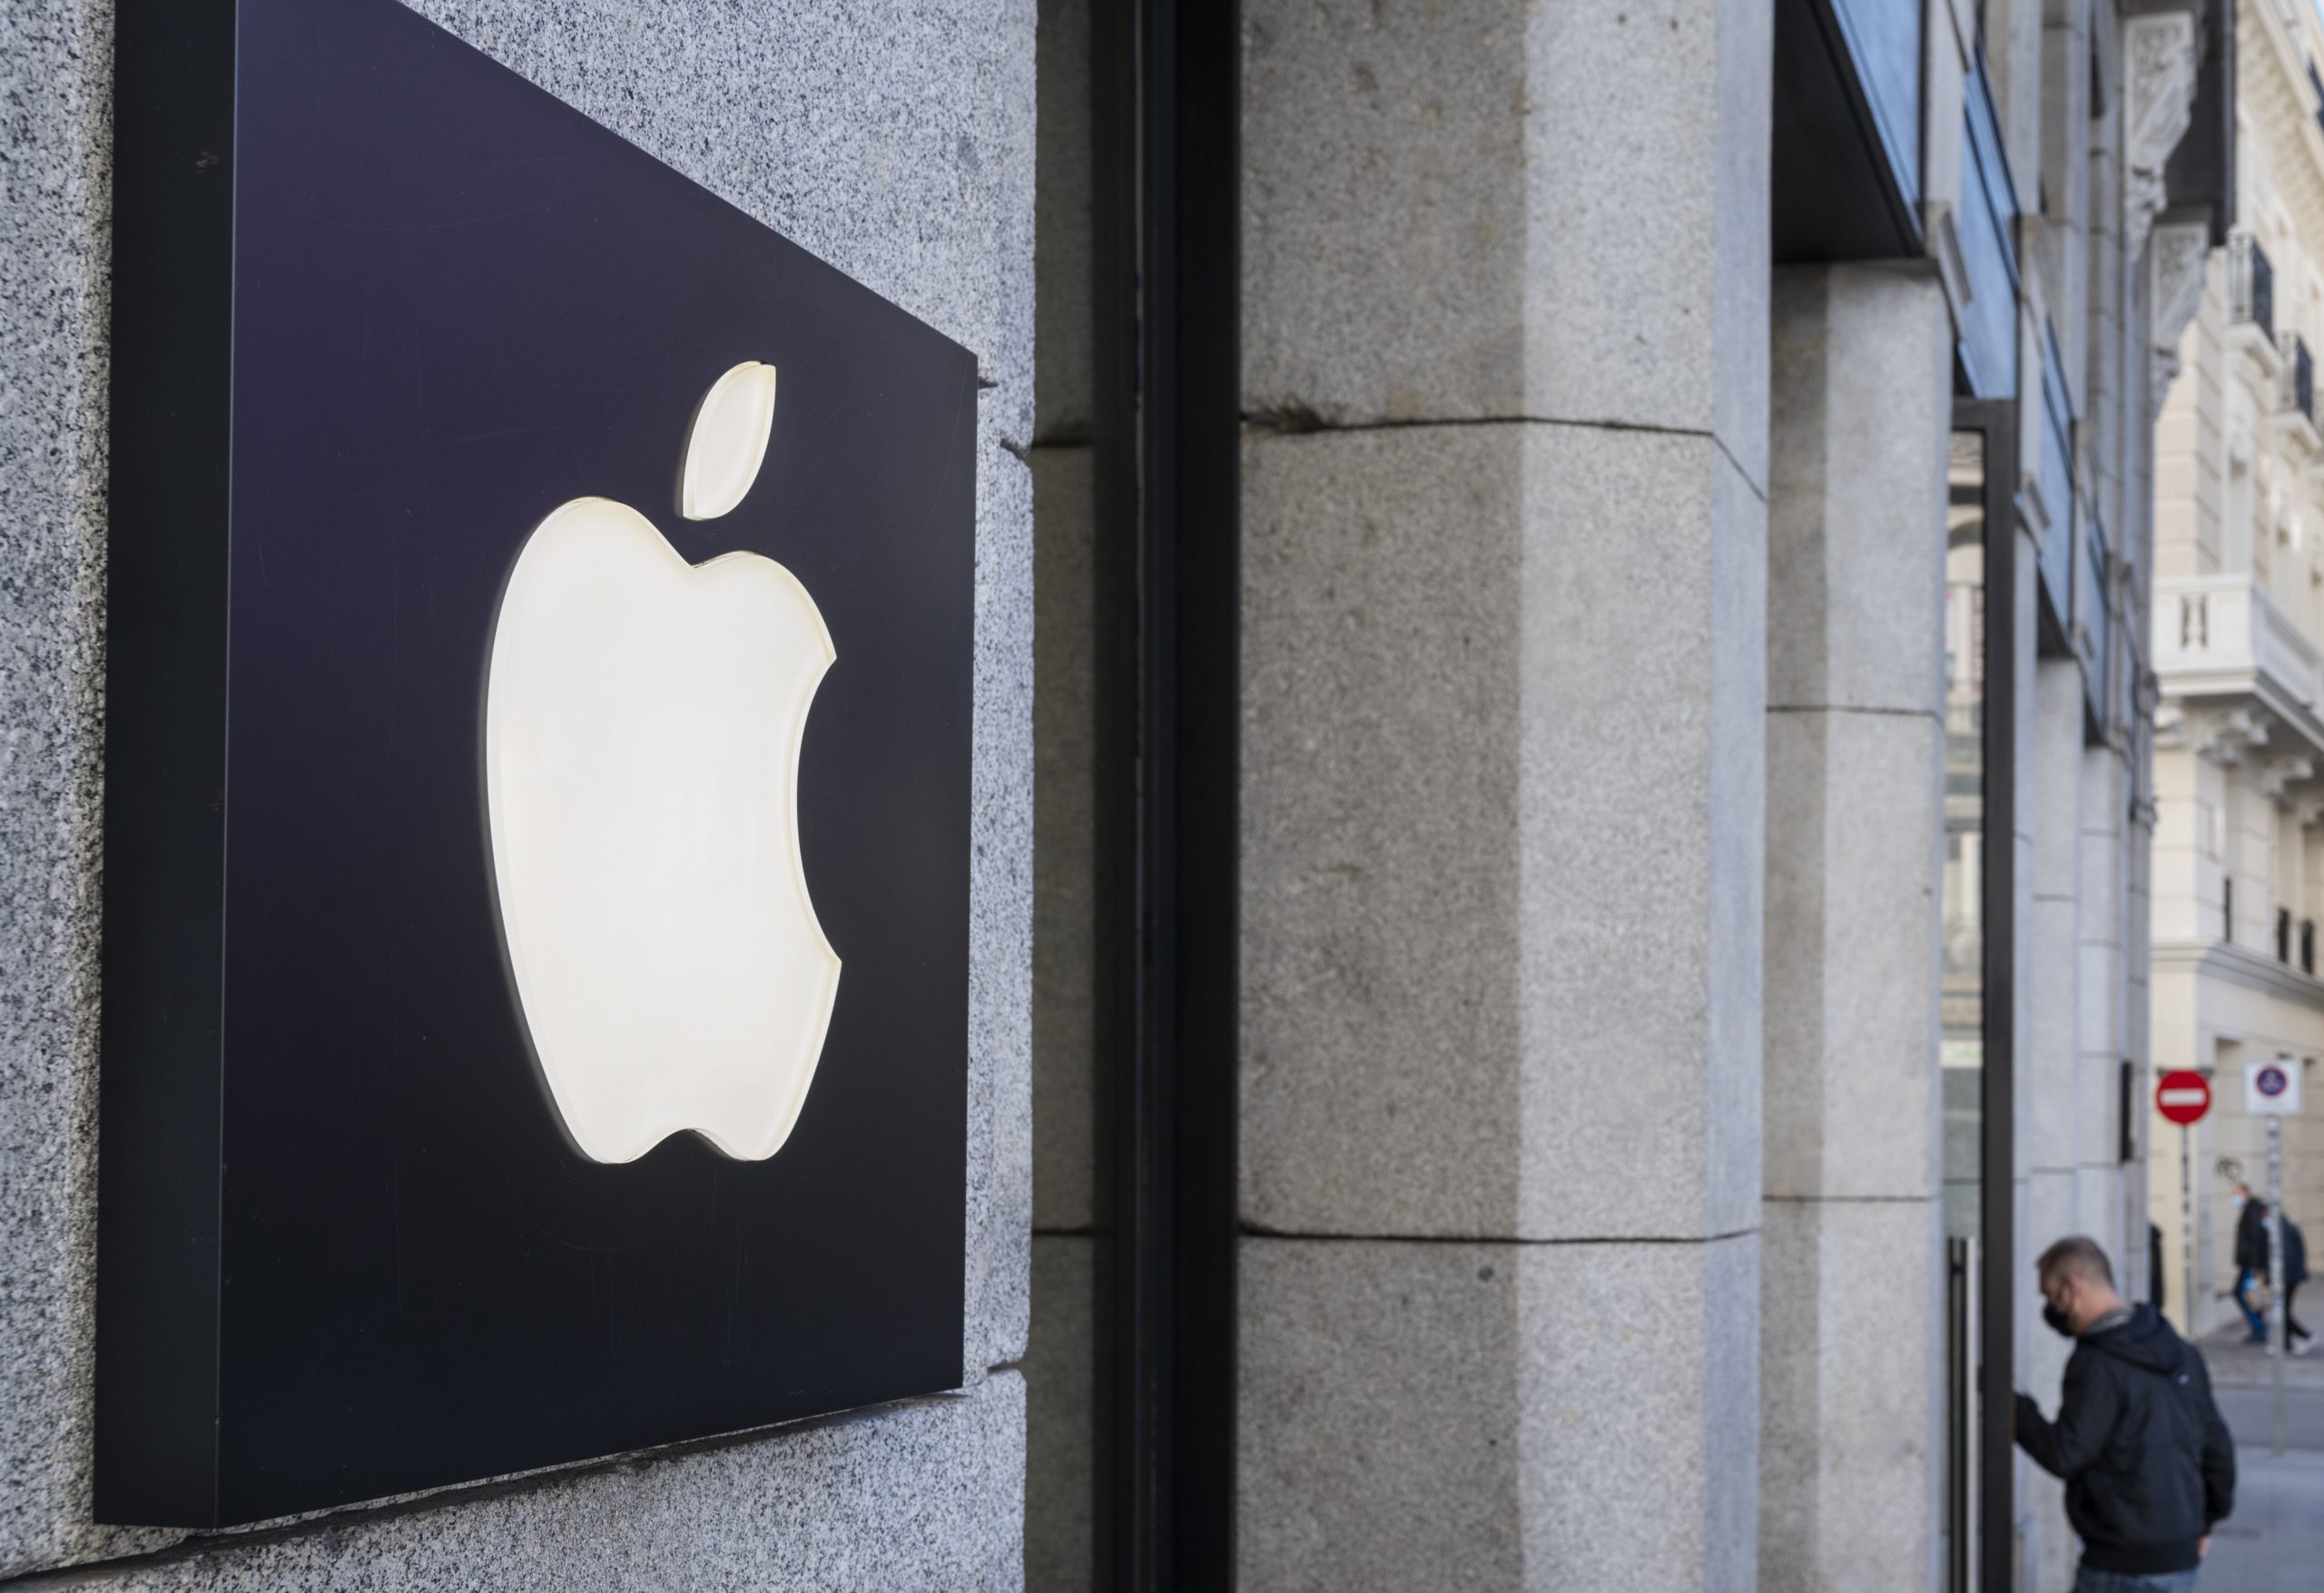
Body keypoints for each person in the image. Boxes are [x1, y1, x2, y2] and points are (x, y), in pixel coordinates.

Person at [2016, 1235, 2235, 1591]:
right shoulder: (2180, 1352)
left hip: (2120, 1563)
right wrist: (2206, 1522)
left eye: (2049, 1296)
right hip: (2181, 1557)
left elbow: (2066, 1453)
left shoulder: (2096, 1364)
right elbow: (2218, 1448)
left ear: (2072, 1289)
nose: (2049, 1309)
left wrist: (2016, 1411)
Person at [2233, 1183, 2270, 1345]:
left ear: (2245, 1192)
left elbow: (2256, 1239)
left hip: (2251, 1264)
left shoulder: (2253, 1211)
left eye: (2236, 1193)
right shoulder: (2249, 1209)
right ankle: (2259, 1327)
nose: (2234, 1197)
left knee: (2243, 1293)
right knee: (2248, 1294)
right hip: (2248, 1263)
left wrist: (2255, 1266)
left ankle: (2259, 1327)